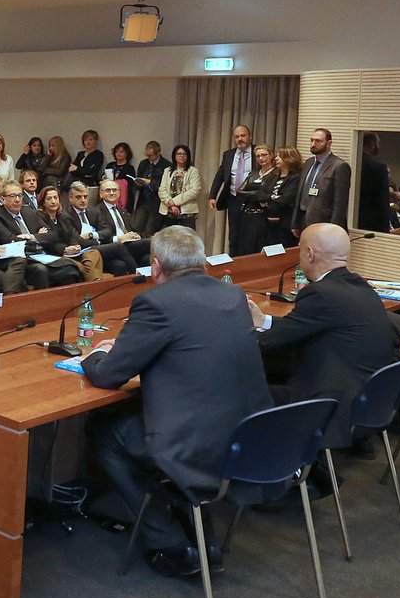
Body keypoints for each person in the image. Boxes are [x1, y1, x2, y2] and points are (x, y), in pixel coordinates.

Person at [82, 227, 272, 578]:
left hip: (195, 442)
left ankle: (170, 542)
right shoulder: (232, 295)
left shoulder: (156, 302)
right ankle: (192, 524)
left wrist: (93, 356)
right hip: (246, 436)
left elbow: (110, 375)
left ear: (155, 268)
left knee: (105, 432)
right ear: (201, 262)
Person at [246, 224, 400, 453]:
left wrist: (229, 339)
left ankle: (280, 469)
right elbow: (304, 326)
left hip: (328, 404)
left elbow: (267, 343)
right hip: (366, 399)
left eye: (299, 251)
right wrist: (264, 321)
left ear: (310, 254)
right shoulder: (359, 286)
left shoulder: (320, 293)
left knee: (244, 389)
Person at [207, 124, 257, 256]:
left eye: (243, 136)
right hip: (234, 199)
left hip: (253, 201)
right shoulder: (228, 154)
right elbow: (220, 175)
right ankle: (234, 261)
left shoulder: (258, 153)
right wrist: (212, 196)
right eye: (237, 137)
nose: (240, 139)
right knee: (233, 235)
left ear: (250, 137)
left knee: (249, 236)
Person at [291, 127, 351, 233]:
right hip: (303, 221)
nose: (313, 144)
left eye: (318, 141)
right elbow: (300, 195)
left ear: (329, 143)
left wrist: (333, 229)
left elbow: (340, 203)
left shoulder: (339, 166)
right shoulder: (308, 163)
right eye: (312, 140)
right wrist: (295, 223)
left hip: (324, 224)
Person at [90, 178, 152, 272]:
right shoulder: (96, 212)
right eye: (108, 190)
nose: (112, 193)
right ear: (101, 194)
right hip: (113, 246)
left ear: (119, 193)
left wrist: (136, 235)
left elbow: (131, 229)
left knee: (146, 258)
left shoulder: (122, 210)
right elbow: (100, 238)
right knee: (150, 242)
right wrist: (120, 238)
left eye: (114, 190)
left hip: (130, 244)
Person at [231, 146, 280, 254]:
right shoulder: (254, 173)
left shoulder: (276, 173)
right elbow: (239, 192)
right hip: (247, 215)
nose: (261, 158)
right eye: (258, 156)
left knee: (258, 248)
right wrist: (257, 195)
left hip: (262, 217)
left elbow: (268, 195)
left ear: (271, 155)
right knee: (244, 247)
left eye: (264, 155)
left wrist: (255, 195)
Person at [131, 139, 170, 235]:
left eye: (151, 155)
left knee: (151, 228)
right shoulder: (143, 163)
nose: (149, 158)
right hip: (143, 199)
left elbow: (166, 185)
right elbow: (139, 177)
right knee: (136, 225)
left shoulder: (166, 165)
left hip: (157, 201)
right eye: (147, 155)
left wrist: (150, 182)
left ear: (158, 153)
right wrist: (138, 183)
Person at [159, 144, 201, 229]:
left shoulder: (193, 171)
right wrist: (171, 204)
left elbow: (194, 191)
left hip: (187, 211)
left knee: (187, 239)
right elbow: (162, 190)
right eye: (179, 154)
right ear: (174, 156)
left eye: (184, 154)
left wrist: (174, 201)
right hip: (169, 210)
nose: (181, 156)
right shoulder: (167, 171)